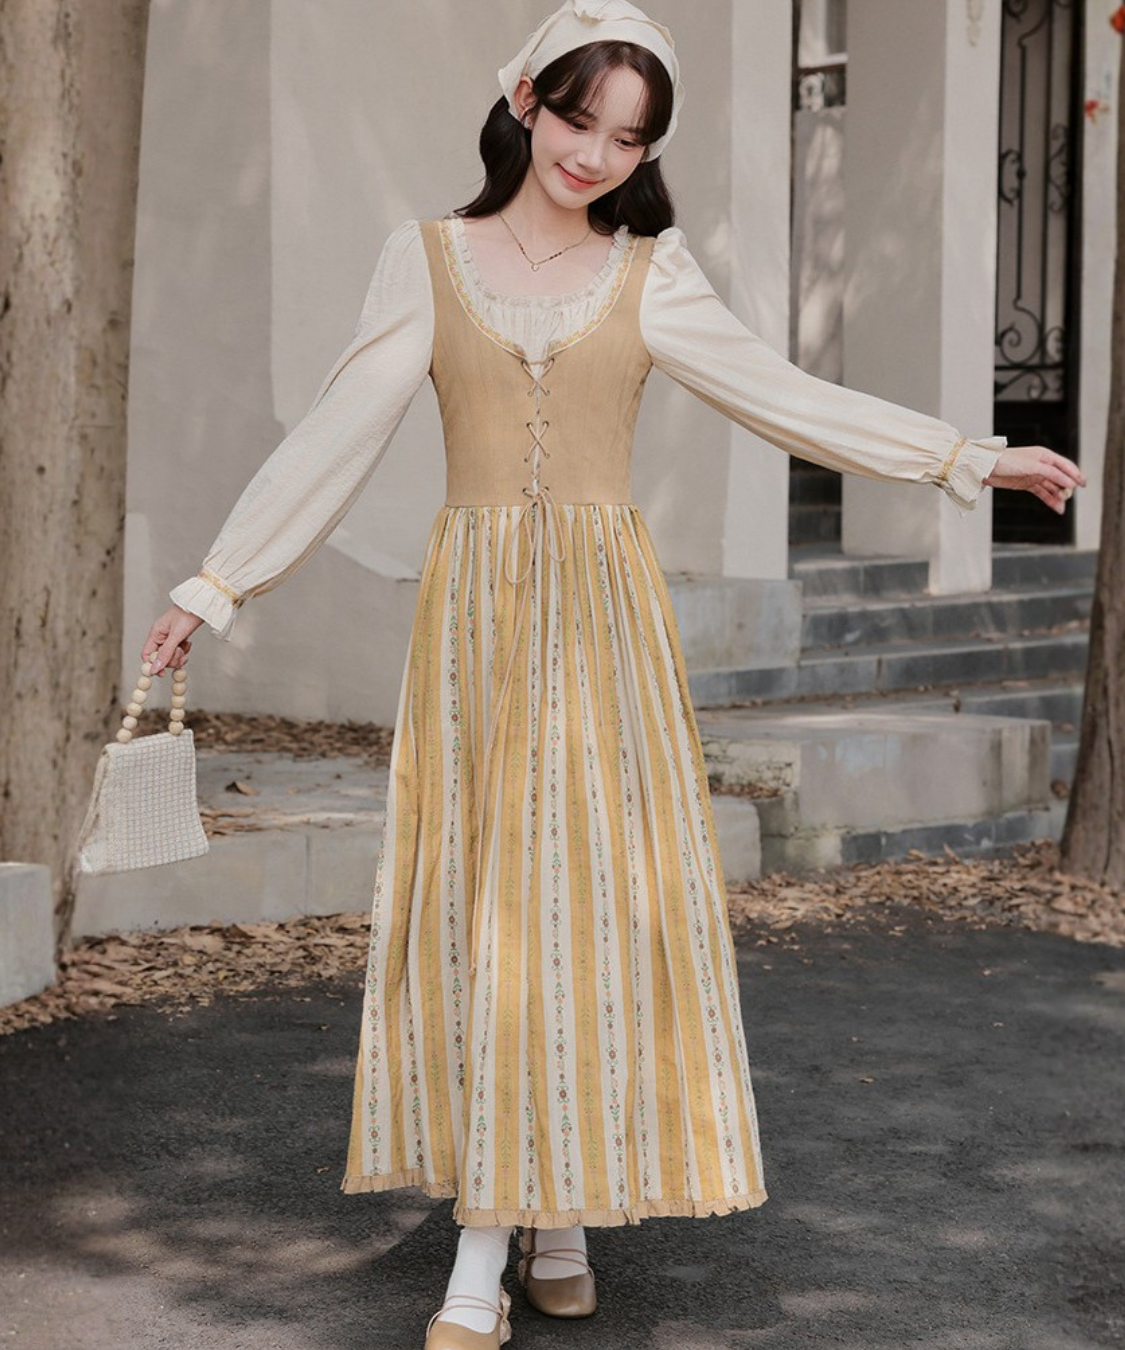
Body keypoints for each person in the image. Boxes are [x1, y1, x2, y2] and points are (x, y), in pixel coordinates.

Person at [144, 3, 1085, 1346]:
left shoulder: (652, 272)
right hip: (475, 627)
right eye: (578, 118)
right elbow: (337, 432)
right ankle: (510, 1230)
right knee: (492, 913)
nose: (593, 154)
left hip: (604, 625)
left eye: (627, 137)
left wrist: (967, 458)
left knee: (580, 911)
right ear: (526, 101)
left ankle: (537, 1227)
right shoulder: (427, 258)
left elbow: (786, 395)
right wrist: (218, 581)